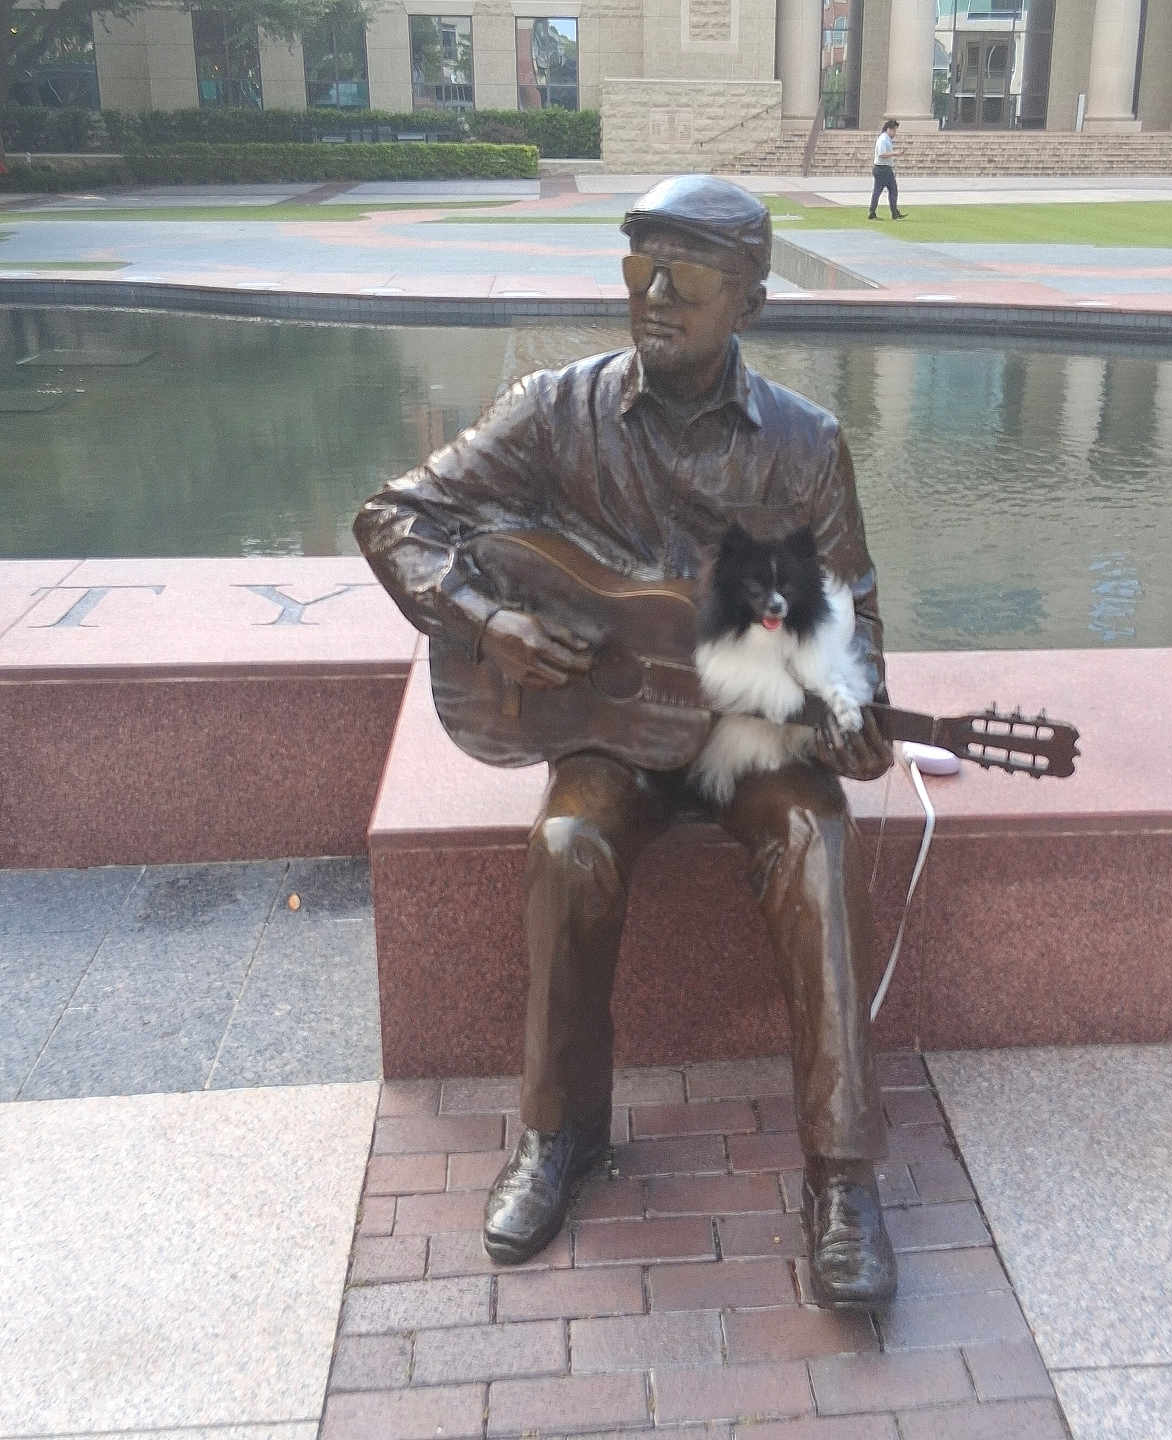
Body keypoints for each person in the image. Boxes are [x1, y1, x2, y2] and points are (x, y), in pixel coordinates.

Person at [354, 175, 900, 1310]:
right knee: (568, 845)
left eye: (689, 268)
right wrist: (488, 619)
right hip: (606, 732)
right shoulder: (556, 411)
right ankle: (559, 1137)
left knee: (813, 833)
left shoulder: (804, 445)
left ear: (749, 296)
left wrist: (853, 704)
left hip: (751, 733)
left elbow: (856, 623)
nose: (656, 289)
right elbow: (396, 514)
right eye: (641, 260)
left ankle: (844, 1180)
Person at [868, 118, 905, 220]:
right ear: (888, 129)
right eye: (894, 130)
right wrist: (895, 153)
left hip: (884, 168)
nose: (895, 133)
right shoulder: (883, 139)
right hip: (882, 169)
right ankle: (878, 212)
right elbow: (881, 154)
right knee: (885, 191)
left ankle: (893, 212)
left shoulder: (886, 139)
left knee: (889, 190)